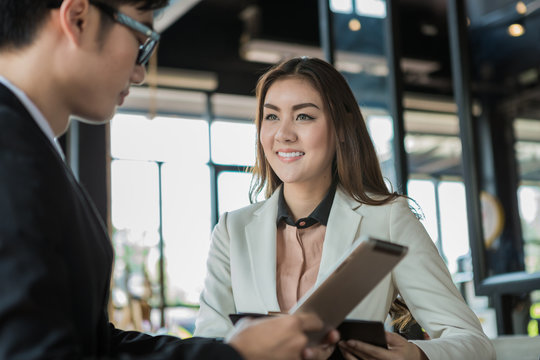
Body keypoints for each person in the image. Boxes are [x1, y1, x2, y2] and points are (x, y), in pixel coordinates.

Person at [0, 1, 333, 359]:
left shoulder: (29, 144)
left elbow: (94, 344)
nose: (141, 72)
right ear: (78, 19)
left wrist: (234, 350)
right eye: (143, 39)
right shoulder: (11, 151)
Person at [194, 57, 496, 360]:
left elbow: (475, 343)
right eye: (271, 117)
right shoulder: (232, 231)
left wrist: (417, 355)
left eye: (303, 117)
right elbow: (209, 345)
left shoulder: (387, 218)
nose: (283, 134)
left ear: (341, 127)